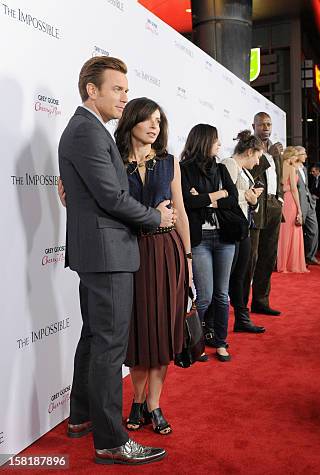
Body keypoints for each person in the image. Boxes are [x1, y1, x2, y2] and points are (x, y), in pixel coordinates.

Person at [58, 56, 171, 464]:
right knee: (109, 346)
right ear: (93, 90)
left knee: (94, 338)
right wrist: (157, 218)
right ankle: (110, 440)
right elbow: (111, 198)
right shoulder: (87, 132)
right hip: (107, 253)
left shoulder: (90, 130)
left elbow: (99, 193)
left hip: (101, 250)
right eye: (118, 89)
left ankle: (81, 417)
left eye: (126, 89)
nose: (125, 97)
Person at [112, 97, 191, 436]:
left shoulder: (169, 162)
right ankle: (138, 400)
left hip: (166, 251)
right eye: (148, 119)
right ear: (132, 121)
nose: (155, 125)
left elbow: (182, 214)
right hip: (131, 252)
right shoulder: (114, 161)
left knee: (160, 333)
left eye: (159, 120)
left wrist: (187, 260)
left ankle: (153, 404)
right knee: (139, 334)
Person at [180, 124, 238, 362]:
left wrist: (205, 199)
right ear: (204, 142)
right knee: (204, 296)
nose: (220, 145)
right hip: (200, 240)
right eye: (216, 140)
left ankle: (221, 342)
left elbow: (233, 199)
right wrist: (218, 194)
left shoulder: (222, 168)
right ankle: (197, 341)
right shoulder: (183, 169)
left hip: (224, 238)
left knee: (222, 295)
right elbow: (187, 202)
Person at [220, 131, 266, 333]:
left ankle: (241, 318)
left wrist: (253, 199)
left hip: (243, 228)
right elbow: (224, 196)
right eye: (257, 157)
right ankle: (215, 323)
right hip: (231, 230)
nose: (257, 162)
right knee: (229, 277)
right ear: (249, 152)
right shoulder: (229, 164)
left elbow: (246, 201)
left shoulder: (244, 171)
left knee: (241, 276)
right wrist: (247, 196)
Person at [247, 112, 284, 316]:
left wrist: (280, 199)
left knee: (268, 256)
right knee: (251, 257)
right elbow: (247, 173)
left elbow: (278, 177)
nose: (266, 128)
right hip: (256, 206)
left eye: (269, 124)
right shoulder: (248, 146)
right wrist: (267, 152)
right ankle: (242, 303)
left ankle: (261, 301)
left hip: (273, 205)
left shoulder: (275, 149)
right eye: (262, 125)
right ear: (254, 126)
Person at [277, 146, 309, 273]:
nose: (297, 158)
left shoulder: (279, 166)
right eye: (295, 156)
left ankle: (282, 264)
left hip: (282, 201)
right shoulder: (291, 168)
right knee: (293, 231)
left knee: (283, 232)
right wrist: (299, 210)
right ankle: (291, 264)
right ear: (290, 156)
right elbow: (294, 190)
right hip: (290, 201)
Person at [296, 146, 320, 265]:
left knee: (314, 230)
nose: (306, 156)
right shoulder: (292, 168)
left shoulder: (304, 168)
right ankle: (300, 258)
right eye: (304, 154)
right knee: (298, 232)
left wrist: (311, 199)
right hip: (299, 204)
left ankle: (310, 256)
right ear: (296, 155)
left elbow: (305, 187)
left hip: (309, 204)